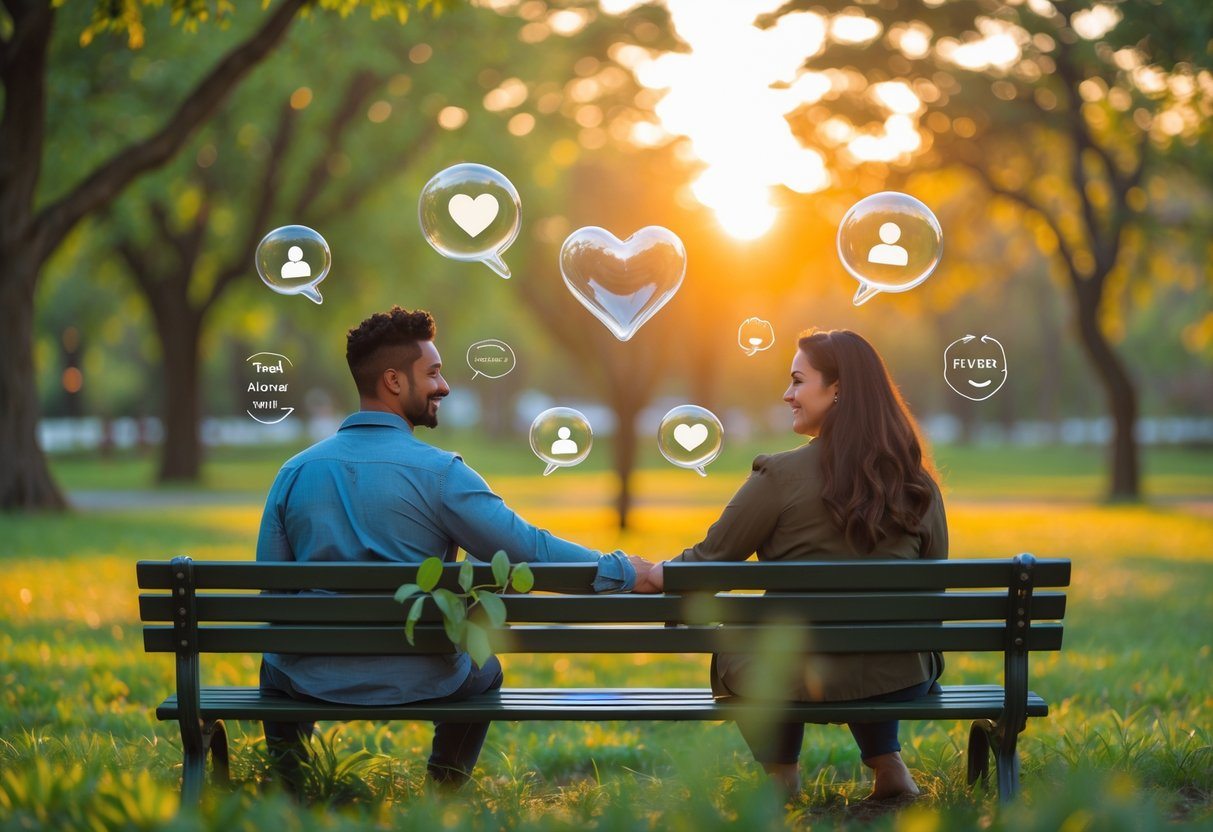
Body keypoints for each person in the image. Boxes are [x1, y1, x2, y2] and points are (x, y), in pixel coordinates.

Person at [256, 306, 655, 793]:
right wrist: (624, 570)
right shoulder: (442, 474)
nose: (443, 387)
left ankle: (293, 791)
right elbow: (529, 550)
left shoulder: (294, 473)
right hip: (423, 676)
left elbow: (272, 591)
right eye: (433, 373)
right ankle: (441, 793)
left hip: (310, 677)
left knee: (274, 664)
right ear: (393, 382)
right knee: (484, 670)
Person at [635, 328, 948, 802]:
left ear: (837, 388)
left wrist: (658, 573)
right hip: (899, 676)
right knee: (866, 640)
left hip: (790, 678)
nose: (787, 394)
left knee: (758, 648)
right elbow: (933, 586)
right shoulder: (917, 482)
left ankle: (781, 777)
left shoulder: (779, 477)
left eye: (798, 381)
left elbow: (710, 561)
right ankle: (889, 767)